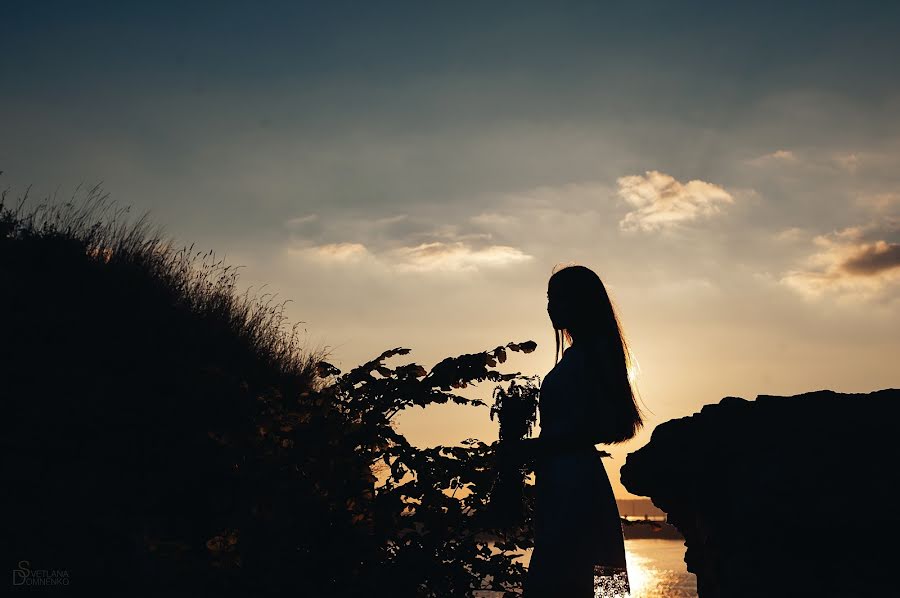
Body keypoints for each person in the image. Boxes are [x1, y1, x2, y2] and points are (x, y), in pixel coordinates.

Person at [497, 264, 644, 597]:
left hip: (576, 481)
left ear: (580, 303)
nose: (550, 307)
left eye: (557, 298)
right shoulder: (579, 356)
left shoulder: (595, 354)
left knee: (579, 574)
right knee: (579, 571)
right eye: (549, 298)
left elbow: (616, 424)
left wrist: (535, 449)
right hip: (560, 481)